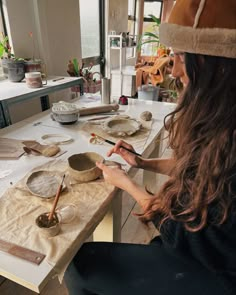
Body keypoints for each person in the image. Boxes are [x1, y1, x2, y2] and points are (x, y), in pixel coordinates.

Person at [64, 0, 236, 294]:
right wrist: (142, 163)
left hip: (219, 273)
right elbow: (204, 168)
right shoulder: (223, 117)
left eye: (183, 56)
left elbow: (181, 230)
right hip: (209, 250)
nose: (174, 70)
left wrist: (127, 185)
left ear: (216, 64)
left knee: (80, 266)